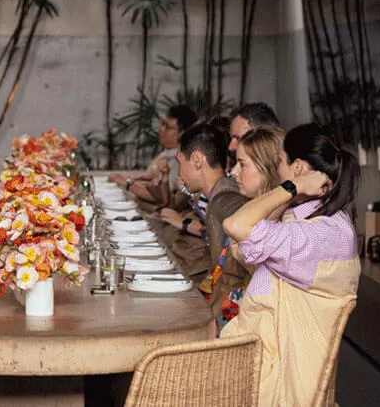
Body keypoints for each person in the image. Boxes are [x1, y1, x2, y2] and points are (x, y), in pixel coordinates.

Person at [221, 123, 361, 406]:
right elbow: (243, 245)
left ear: (297, 168)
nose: (277, 173)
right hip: (259, 361)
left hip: (277, 381)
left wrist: (292, 187)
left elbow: (236, 225)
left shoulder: (319, 235)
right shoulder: (310, 223)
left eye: (280, 163)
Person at [200, 126, 285, 328]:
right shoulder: (254, 208)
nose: (233, 172)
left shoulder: (277, 223)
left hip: (255, 325)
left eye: (242, 164)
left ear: (267, 168)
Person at [172, 123, 249, 321]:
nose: (179, 173)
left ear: (197, 160)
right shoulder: (217, 195)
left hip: (233, 313)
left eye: (180, 163)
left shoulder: (225, 198)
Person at [109, 105, 197, 204]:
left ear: (182, 133)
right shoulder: (166, 154)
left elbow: (160, 197)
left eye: (167, 127)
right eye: (162, 124)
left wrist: (127, 183)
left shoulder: (180, 161)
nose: (161, 129)